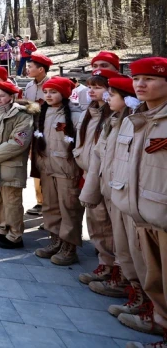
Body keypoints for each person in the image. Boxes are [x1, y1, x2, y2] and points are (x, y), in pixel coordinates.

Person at [110, 57, 167, 343]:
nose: (141, 84)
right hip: (140, 210)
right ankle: (159, 320)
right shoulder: (136, 119)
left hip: (163, 213)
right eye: (137, 79)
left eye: (150, 79)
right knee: (153, 277)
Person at [91, 77, 153, 320]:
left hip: (136, 199)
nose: (107, 98)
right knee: (123, 245)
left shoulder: (134, 122)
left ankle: (148, 305)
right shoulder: (115, 121)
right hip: (114, 190)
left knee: (140, 254)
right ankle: (131, 289)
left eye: (112, 94)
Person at [0, 80, 37, 249]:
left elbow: (19, 141)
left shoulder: (23, 115)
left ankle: (15, 234)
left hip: (10, 165)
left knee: (12, 202)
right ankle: (2, 228)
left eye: (2, 96)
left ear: (12, 97)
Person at [32, 77, 83, 265]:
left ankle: (69, 247)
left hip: (67, 171)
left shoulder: (77, 116)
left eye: (53, 92)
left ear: (64, 94)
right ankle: (55, 240)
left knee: (69, 208)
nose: (48, 95)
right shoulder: (43, 114)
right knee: (50, 207)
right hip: (47, 169)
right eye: (46, 92)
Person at [73, 68, 117, 284]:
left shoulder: (114, 116)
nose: (91, 91)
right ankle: (104, 262)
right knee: (95, 222)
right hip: (87, 173)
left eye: (98, 87)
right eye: (90, 87)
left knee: (105, 223)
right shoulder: (88, 112)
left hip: (104, 177)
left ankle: (112, 267)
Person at [23, 53, 53, 217]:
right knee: (36, 166)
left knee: (47, 165)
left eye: (30, 67)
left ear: (41, 69)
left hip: (48, 131)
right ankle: (40, 201)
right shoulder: (29, 86)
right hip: (33, 130)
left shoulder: (52, 84)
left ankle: (50, 202)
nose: (27, 70)